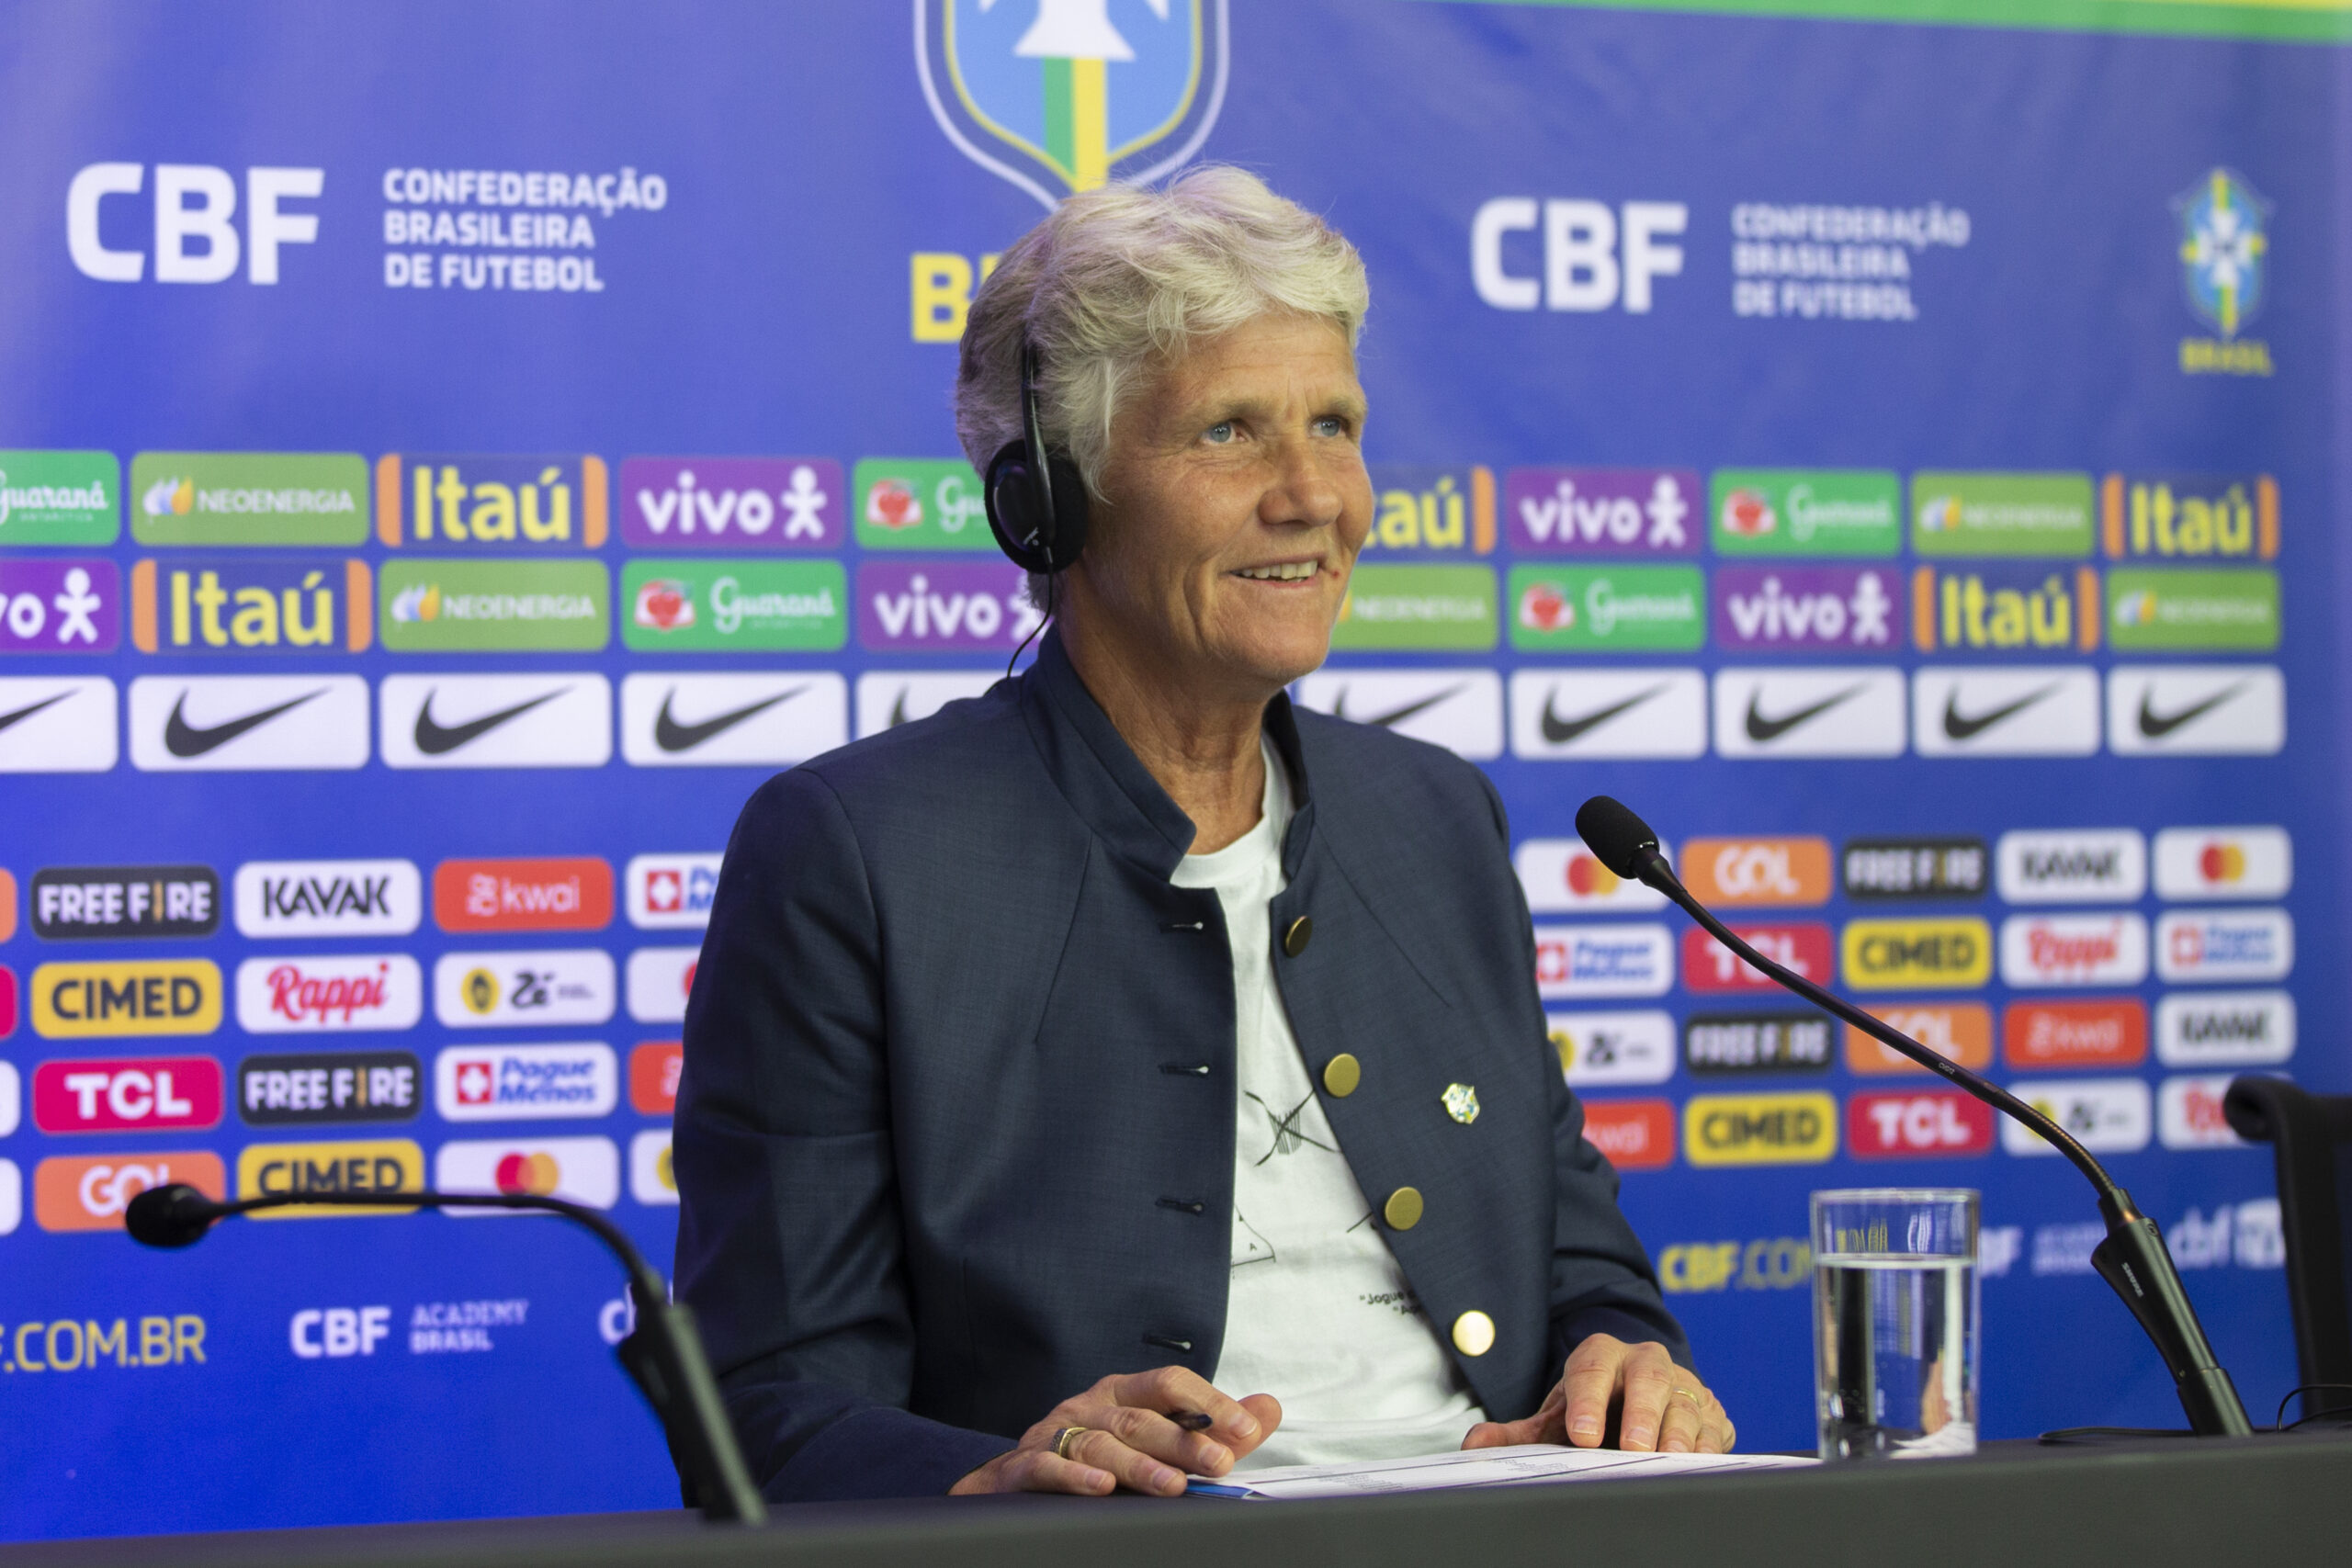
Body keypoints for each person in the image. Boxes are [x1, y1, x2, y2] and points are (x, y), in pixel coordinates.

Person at [673, 165, 1731, 1505]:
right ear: (1050, 501)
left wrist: (1624, 1361)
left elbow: (1583, 1277)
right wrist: (1008, 1471)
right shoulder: (854, 851)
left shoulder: (1436, 816)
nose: (1313, 496)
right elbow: (771, 1401)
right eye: (1231, 432)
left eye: (1335, 424)